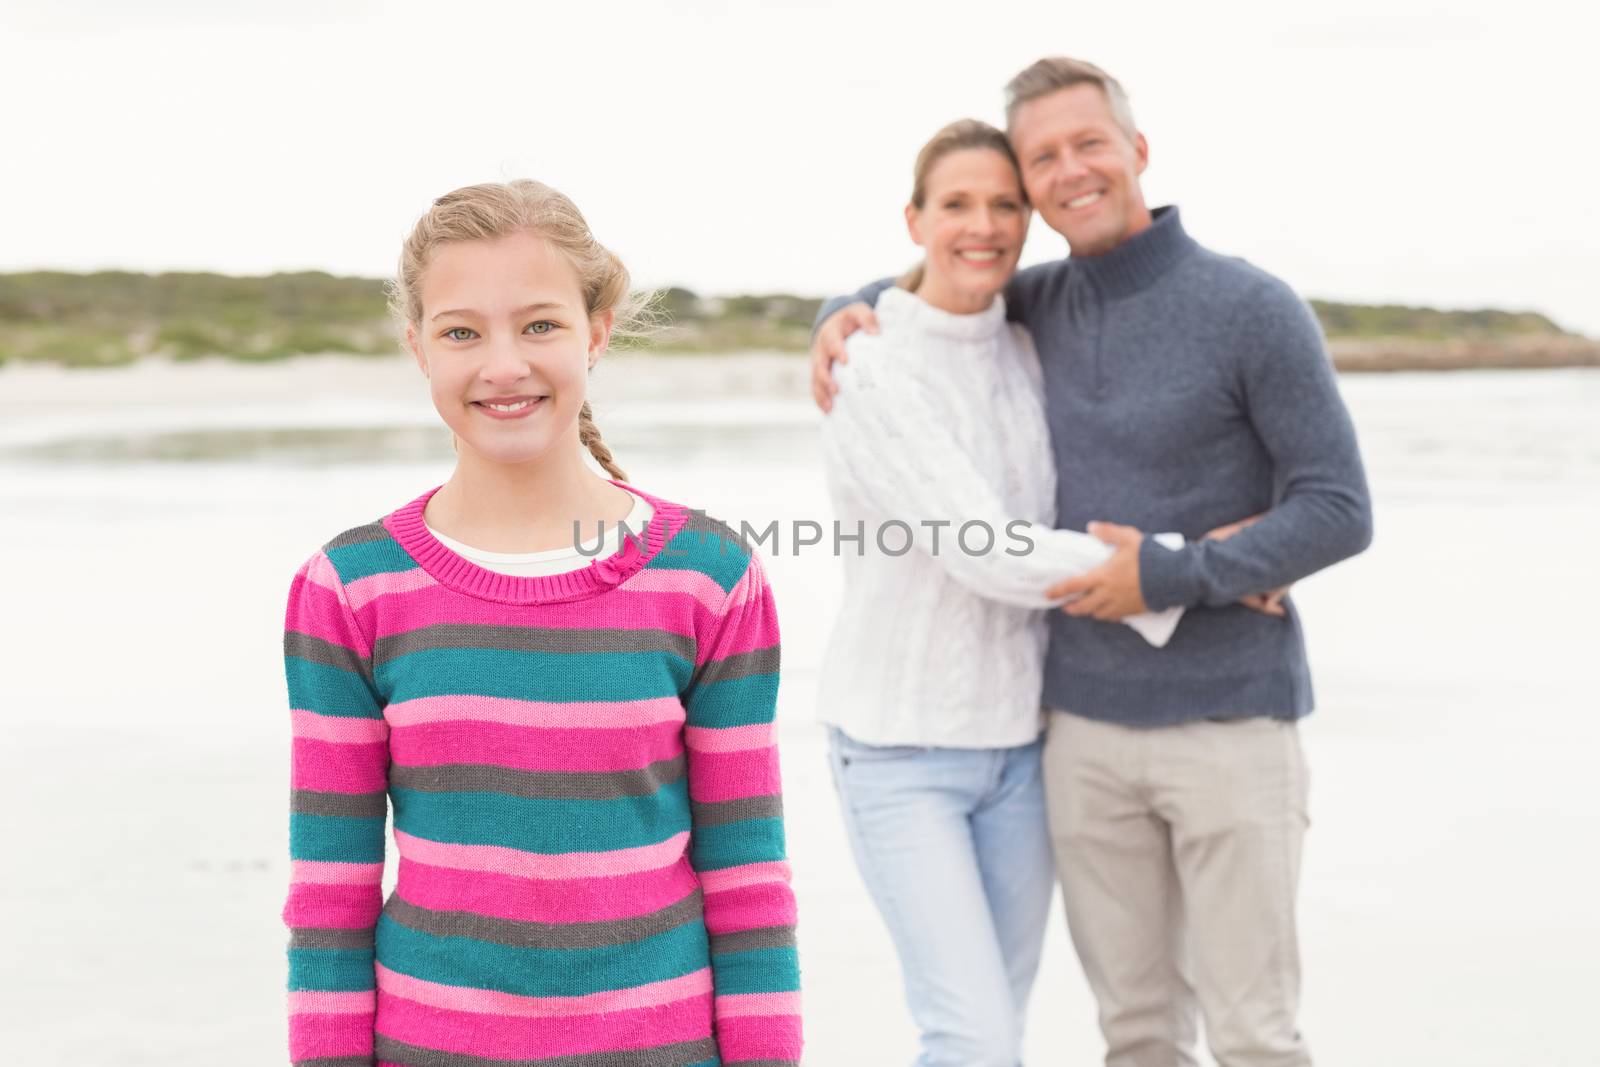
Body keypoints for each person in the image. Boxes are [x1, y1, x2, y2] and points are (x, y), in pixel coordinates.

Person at [811, 58, 1373, 1067]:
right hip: (1075, 733)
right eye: (1042, 158)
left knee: (1254, 1034)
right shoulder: (1040, 304)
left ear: (1137, 151)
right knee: (1133, 1034)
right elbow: (937, 293)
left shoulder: (1252, 305)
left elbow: (1336, 509)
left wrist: (1173, 573)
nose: (1068, 170)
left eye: (1088, 143)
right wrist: (839, 309)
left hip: (1230, 720)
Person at [280, 179, 801, 1067]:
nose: (503, 364)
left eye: (540, 325)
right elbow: (331, 889)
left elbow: (748, 875)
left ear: (595, 331)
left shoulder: (712, 577)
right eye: (460, 332)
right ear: (417, 348)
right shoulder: (349, 589)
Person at [817, 118, 1192, 1067]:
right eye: (956, 204)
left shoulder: (1028, 350)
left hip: (1021, 752)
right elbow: (979, 547)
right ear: (913, 218)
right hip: (899, 756)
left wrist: (1242, 549)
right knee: (973, 1038)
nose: (981, 225)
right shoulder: (871, 365)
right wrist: (1177, 574)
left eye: (1003, 204)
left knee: (999, 1029)